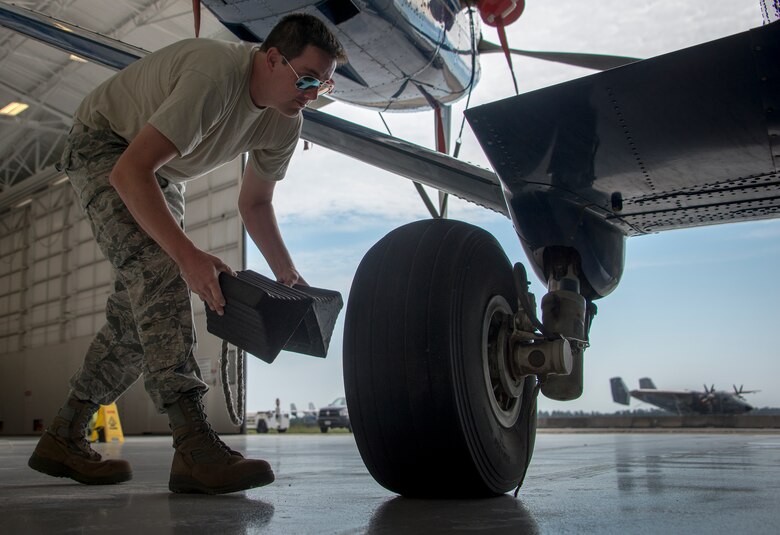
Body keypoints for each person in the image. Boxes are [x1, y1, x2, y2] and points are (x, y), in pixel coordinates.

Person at [27, 13, 347, 495]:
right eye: (305, 80)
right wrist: (188, 256)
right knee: (163, 274)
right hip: (108, 146)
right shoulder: (216, 76)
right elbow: (129, 172)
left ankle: (64, 435)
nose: (310, 95)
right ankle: (194, 444)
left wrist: (287, 272)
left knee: (139, 313)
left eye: (322, 86)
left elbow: (254, 203)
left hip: (162, 171)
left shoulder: (285, 123)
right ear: (273, 58)